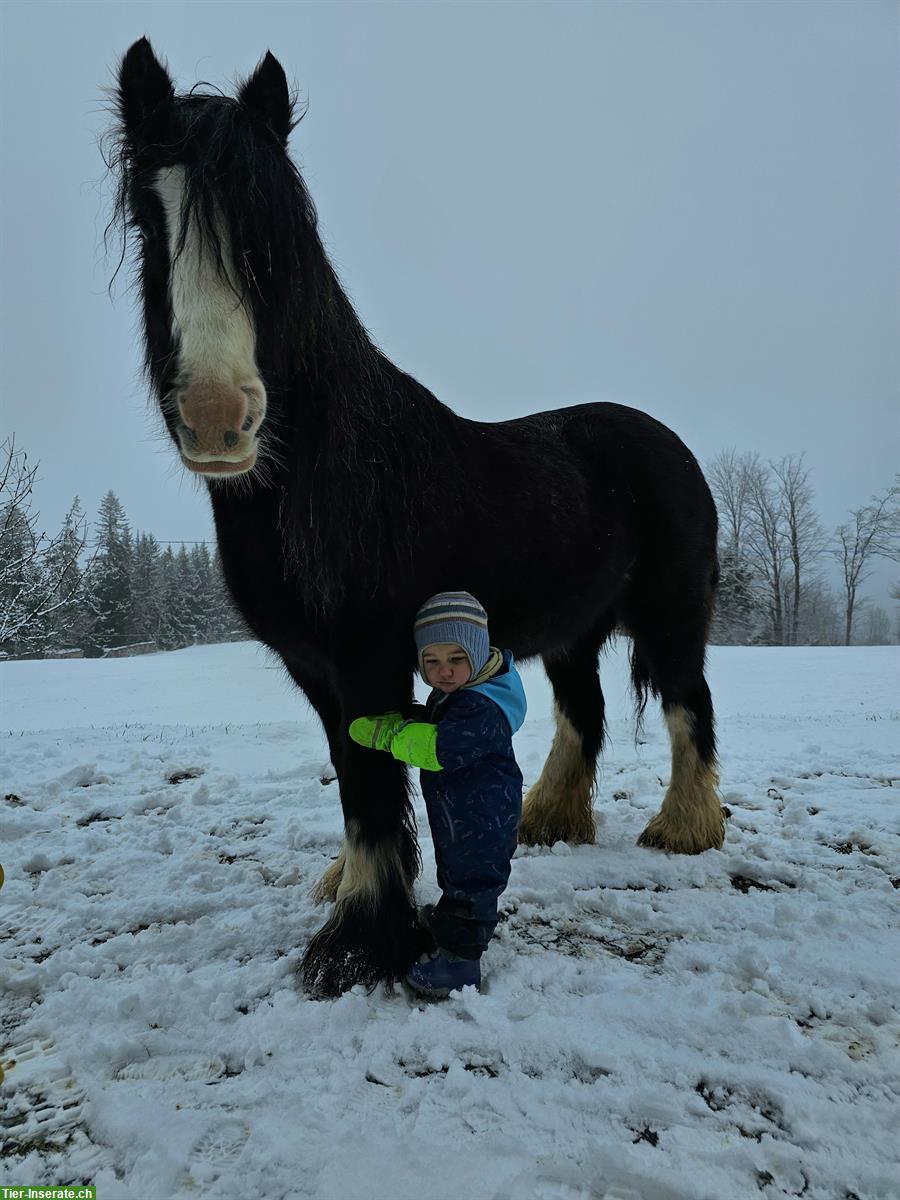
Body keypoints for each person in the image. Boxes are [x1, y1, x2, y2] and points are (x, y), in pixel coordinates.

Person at [349, 591, 527, 998]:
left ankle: (460, 962)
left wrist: (388, 734)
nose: (443, 672)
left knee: (473, 882)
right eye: (431, 661)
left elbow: (438, 747)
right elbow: (439, 720)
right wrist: (410, 714)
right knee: (456, 874)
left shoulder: (483, 706)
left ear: (479, 655)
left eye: (456, 658)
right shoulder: (466, 690)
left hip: (483, 817)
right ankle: (452, 921)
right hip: (462, 813)